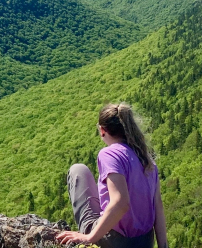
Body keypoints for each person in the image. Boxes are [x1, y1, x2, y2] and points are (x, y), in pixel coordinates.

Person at [56, 103, 168, 248]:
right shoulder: (147, 160)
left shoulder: (110, 154)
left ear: (102, 130)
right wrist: (163, 246)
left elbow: (121, 202)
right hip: (144, 241)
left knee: (78, 170)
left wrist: (89, 238)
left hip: (115, 241)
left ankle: (92, 232)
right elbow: (157, 206)